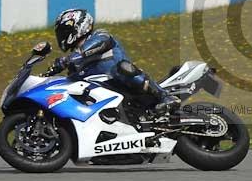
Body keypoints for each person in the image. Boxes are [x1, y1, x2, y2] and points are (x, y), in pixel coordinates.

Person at [45, 8, 180, 113]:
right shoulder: (76, 64)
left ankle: (165, 96)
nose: (62, 35)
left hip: (126, 84)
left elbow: (95, 45)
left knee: (122, 67)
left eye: (65, 30)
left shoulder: (100, 35)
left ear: (79, 26)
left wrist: (67, 60)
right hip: (110, 96)